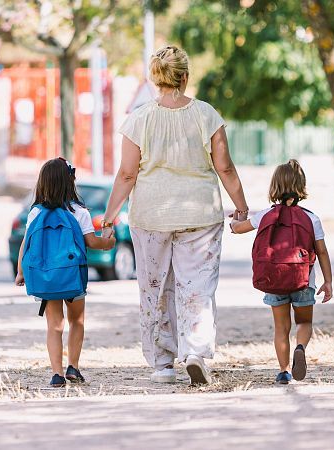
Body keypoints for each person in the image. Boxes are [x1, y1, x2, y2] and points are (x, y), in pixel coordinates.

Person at [100, 45, 249, 385]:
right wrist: (241, 206)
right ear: (185, 76)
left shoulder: (138, 119)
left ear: (155, 79)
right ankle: (195, 351)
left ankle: (162, 364)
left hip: (150, 217)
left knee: (154, 288)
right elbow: (224, 167)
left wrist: (109, 218)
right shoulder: (206, 115)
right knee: (197, 286)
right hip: (200, 216)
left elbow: (126, 175)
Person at [230, 159, 333, 384]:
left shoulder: (265, 215)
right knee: (304, 323)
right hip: (303, 280)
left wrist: (237, 219)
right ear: (301, 186)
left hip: (273, 278)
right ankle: (300, 347)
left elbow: (237, 229)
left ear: (274, 187)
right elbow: (322, 252)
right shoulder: (311, 218)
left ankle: (284, 371)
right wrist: (328, 282)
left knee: (281, 328)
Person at [15, 157, 115, 388]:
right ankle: (73, 367)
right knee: (77, 320)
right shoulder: (79, 212)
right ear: (70, 182)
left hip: (46, 276)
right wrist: (108, 241)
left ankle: (56, 374)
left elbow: (25, 244)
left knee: (54, 325)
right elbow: (91, 241)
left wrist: (21, 272)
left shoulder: (35, 212)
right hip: (72, 275)